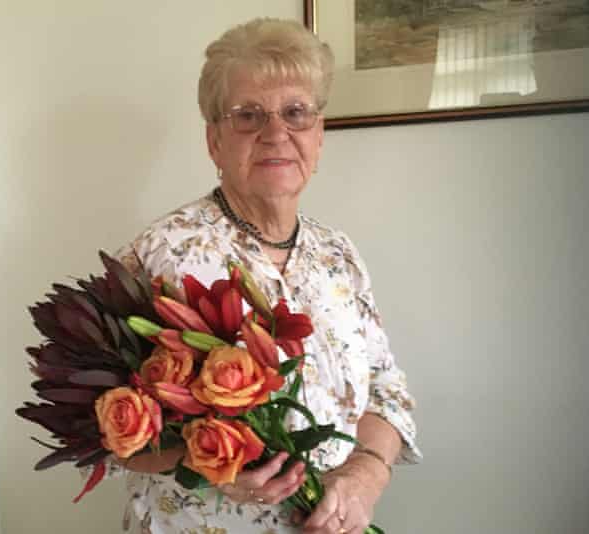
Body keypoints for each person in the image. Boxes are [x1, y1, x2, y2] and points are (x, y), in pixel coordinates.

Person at [111, 18, 421, 534]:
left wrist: (363, 478)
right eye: (248, 115)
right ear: (214, 141)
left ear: (318, 136)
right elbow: (101, 424)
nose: (276, 132)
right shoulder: (159, 256)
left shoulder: (337, 254)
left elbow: (385, 389)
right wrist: (201, 461)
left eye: (296, 112)